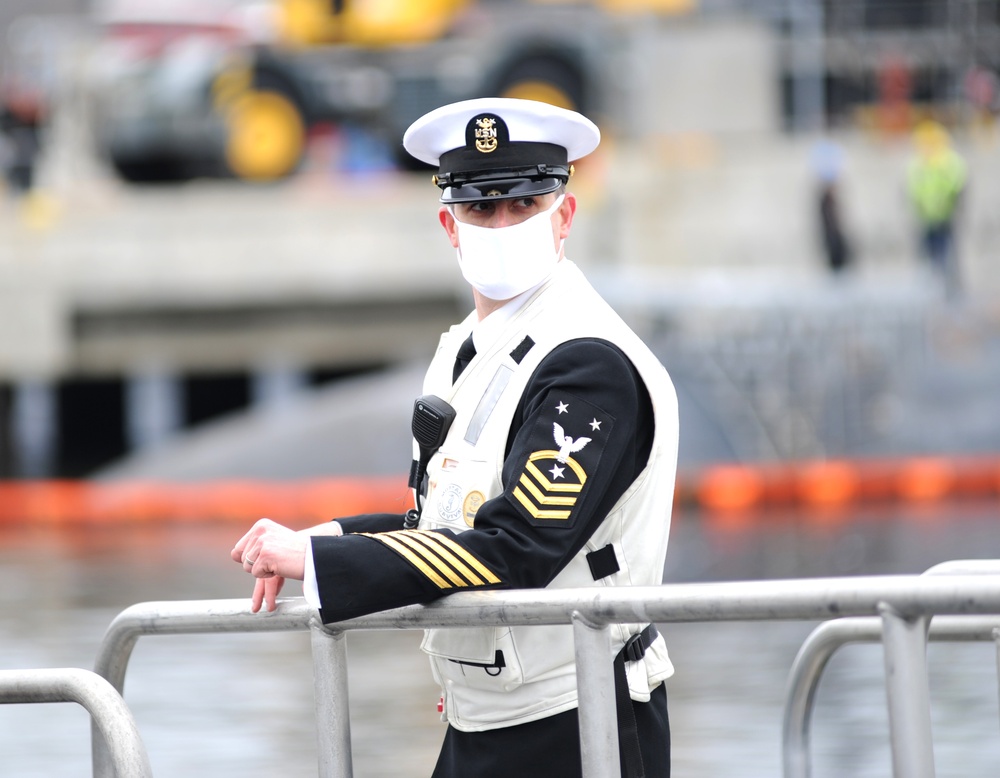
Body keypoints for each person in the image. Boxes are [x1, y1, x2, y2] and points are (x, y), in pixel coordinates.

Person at [231, 97, 679, 777]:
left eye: (524, 205)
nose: (502, 222)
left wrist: (323, 567)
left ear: (565, 216)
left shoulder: (589, 362)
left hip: (581, 717)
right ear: (450, 224)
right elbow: (441, 523)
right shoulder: (469, 349)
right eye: (481, 208)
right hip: (482, 718)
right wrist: (326, 538)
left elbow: (517, 547)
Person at [906, 120, 967, 294]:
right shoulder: (919, 164)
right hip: (927, 218)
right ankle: (931, 292)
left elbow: (958, 186)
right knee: (929, 258)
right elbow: (912, 190)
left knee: (947, 258)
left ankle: (950, 292)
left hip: (945, 218)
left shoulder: (947, 162)